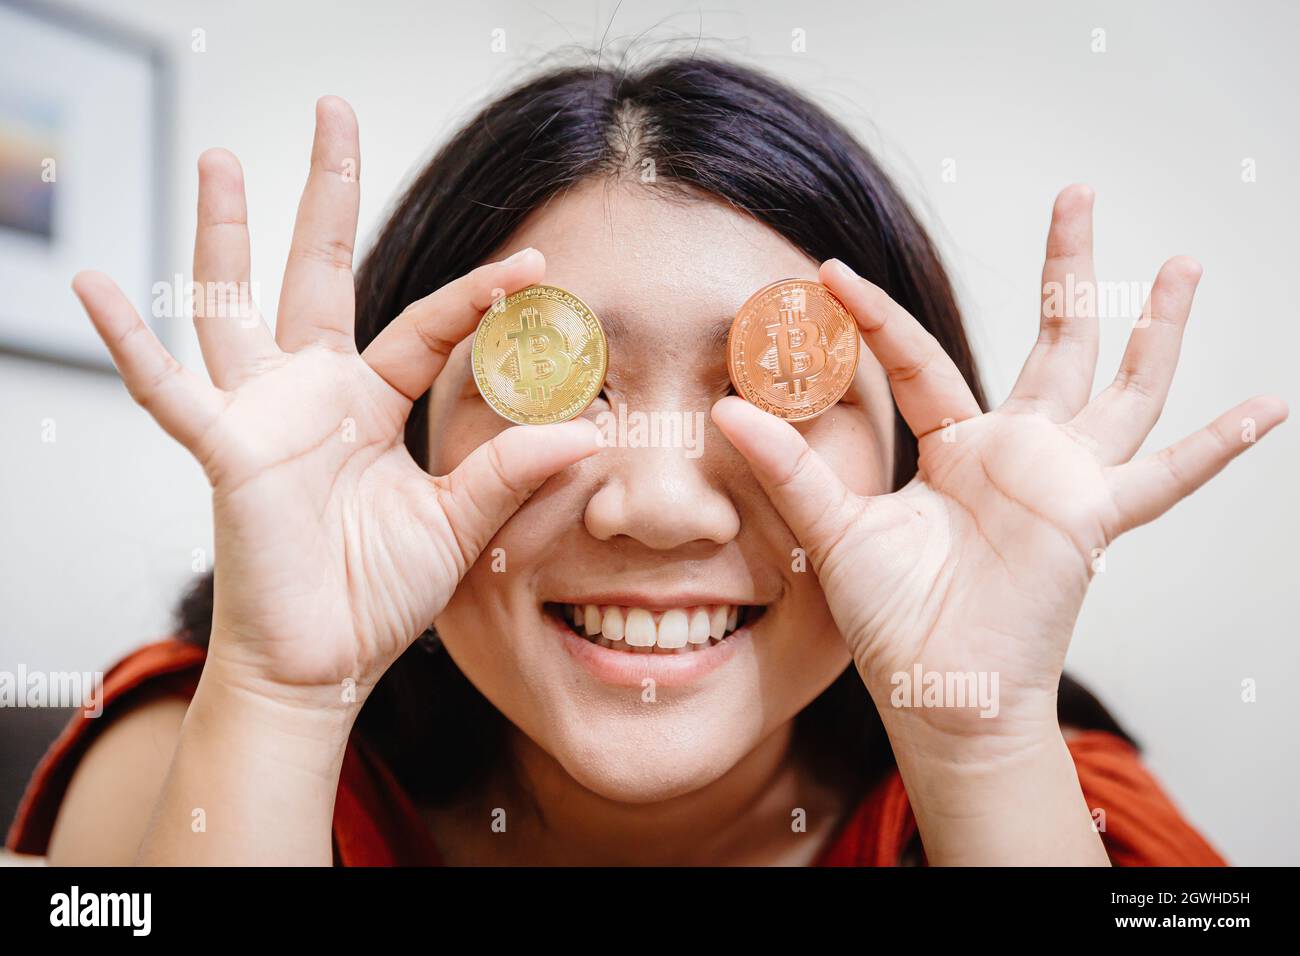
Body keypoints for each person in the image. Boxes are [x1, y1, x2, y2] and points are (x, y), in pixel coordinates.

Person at [9, 57, 1280, 866]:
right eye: (552, 375)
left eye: (788, 384)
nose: (659, 503)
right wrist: (282, 694)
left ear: (912, 460)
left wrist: (981, 745)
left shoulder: (1065, 796)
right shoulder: (193, 741)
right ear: (401, 443)